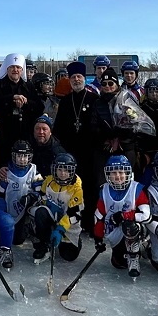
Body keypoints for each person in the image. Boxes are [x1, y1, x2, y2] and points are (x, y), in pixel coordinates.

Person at [87, 155, 152, 279]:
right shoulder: (104, 190)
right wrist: (98, 238)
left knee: (129, 226)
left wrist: (124, 216)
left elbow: (146, 215)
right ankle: (126, 252)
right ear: (108, 174)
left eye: (121, 172)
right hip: (114, 232)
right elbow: (99, 216)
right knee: (119, 264)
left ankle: (135, 256)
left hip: (134, 228)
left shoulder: (136, 189)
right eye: (114, 172)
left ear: (127, 172)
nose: (118, 176)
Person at [55, 63, 101, 212]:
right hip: (70, 152)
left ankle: (88, 220)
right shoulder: (65, 101)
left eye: (79, 77)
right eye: (73, 77)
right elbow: (58, 128)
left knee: (89, 185)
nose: (76, 80)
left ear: (84, 79)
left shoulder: (94, 99)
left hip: (90, 151)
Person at [0, 53, 43, 175]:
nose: (15, 70)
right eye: (12, 67)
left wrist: (26, 103)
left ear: (22, 69)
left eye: (18, 67)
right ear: (7, 69)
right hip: (2, 136)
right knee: (1, 171)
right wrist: (11, 99)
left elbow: (39, 107)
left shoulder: (28, 86)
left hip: (23, 135)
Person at [0, 139, 42, 269]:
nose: (22, 159)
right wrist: (2, 212)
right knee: (7, 234)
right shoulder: (7, 172)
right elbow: (0, 195)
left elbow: (40, 192)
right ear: (13, 156)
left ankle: (34, 235)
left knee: (18, 240)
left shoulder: (34, 171)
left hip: (26, 211)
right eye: (19, 156)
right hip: (10, 212)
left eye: (25, 156)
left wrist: (31, 198)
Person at [30, 153, 84, 264]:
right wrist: (49, 205)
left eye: (66, 170)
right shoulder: (49, 181)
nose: (63, 173)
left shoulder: (77, 188)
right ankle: (44, 244)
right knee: (40, 212)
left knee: (69, 255)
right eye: (60, 169)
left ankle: (74, 241)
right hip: (53, 217)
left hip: (67, 225)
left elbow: (74, 215)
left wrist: (60, 229)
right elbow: (42, 197)